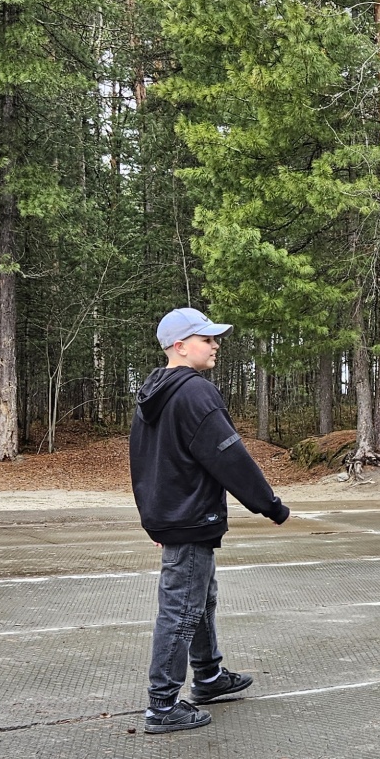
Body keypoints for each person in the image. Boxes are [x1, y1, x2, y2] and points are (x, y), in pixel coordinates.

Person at [129, 307, 292, 735]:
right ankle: (162, 705)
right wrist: (270, 505)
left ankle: (209, 676)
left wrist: (156, 520)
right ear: (180, 347)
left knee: (200, 599)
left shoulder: (154, 392)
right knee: (182, 609)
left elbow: (144, 464)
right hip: (189, 517)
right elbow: (230, 458)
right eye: (207, 338)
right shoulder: (194, 393)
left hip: (176, 517)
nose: (216, 344)